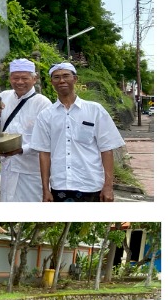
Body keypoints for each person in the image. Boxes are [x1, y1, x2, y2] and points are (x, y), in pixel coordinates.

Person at [34, 62, 125, 201]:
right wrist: (45, 189)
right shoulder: (45, 115)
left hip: (91, 184)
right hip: (60, 185)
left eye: (66, 76)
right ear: (51, 82)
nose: (62, 80)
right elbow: (44, 153)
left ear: (75, 79)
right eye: (56, 77)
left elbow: (107, 149)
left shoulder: (95, 110)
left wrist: (108, 186)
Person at [0, 58, 52, 201]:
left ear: (34, 79)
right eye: (15, 78)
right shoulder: (4, 96)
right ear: (10, 79)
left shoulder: (43, 103)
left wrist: (21, 150)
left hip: (30, 169)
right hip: (8, 166)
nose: (20, 82)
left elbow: (46, 139)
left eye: (24, 78)